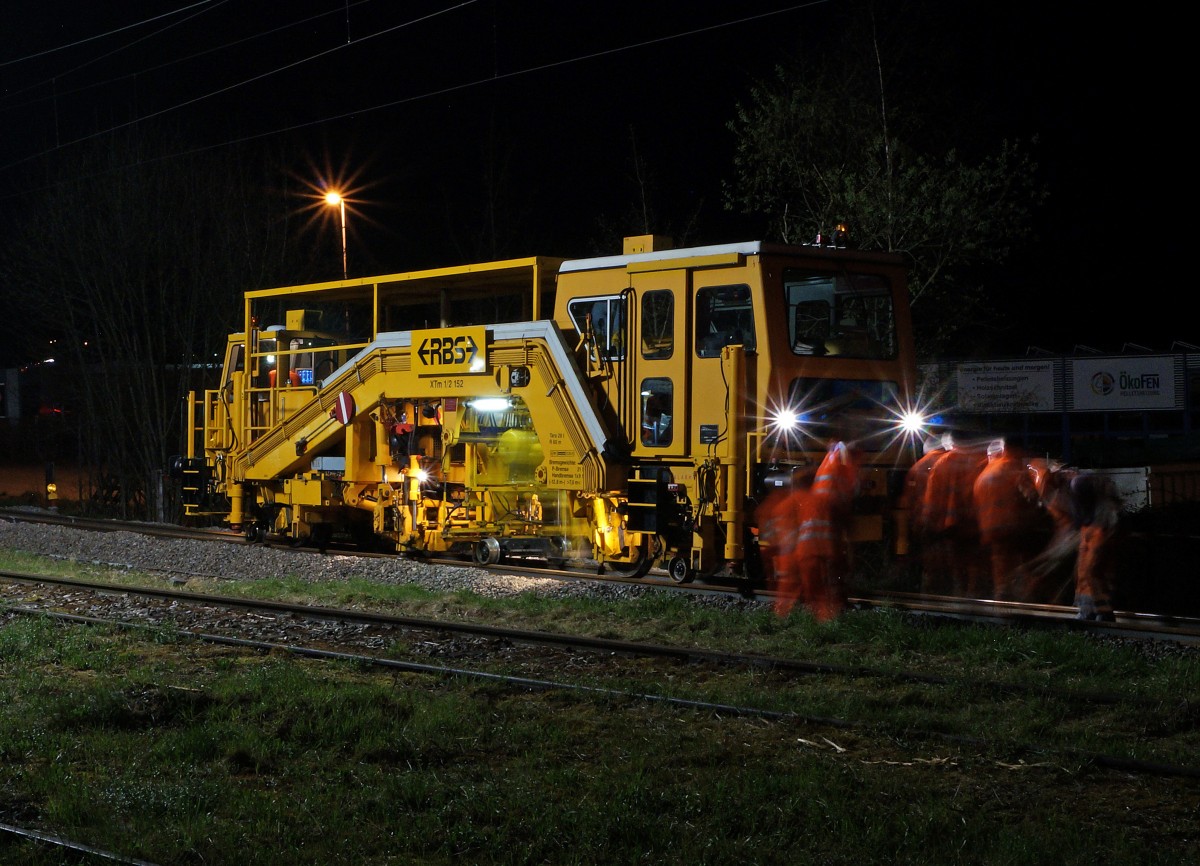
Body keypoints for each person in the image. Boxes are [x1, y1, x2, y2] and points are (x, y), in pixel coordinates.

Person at [972, 439, 1042, 601]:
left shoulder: (982, 475)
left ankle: (1001, 595)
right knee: (1022, 561)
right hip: (1013, 526)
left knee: (999, 562)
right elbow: (1031, 496)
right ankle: (1024, 597)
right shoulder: (1011, 467)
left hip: (989, 529)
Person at [921, 436, 988, 596]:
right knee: (975, 565)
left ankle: (958, 596)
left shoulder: (942, 464)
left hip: (952, 525)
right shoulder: (982, 461)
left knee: (956, 566)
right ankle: (973, 595)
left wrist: (928, 523)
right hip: (976, 524)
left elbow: (932, 499)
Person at [902, 433, 951, 594]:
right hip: (946, 521)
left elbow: (910, 499)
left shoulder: (917, 467)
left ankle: (927, 591)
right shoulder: (947, 463)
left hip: (923, 521)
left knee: (928, 562)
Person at [1069, 472, 1122, 621]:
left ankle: (1101, 612)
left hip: (1096, 597)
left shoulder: (1099, 528)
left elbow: (1092, 568)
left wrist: (1100, 604)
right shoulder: (1092, 524)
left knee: (1095, 622)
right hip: (1091, 596)